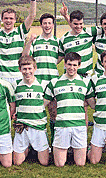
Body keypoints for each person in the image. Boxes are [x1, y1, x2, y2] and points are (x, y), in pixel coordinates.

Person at [43, 52, 94, 167]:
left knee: (80, 164)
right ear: (64, 64)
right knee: (60, 164)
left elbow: (93, 104)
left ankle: (91, 147)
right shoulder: (54, 83)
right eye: (69, 64)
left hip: (79, 126)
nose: (72, 68)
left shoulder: (86, 83)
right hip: (62, 126)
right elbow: (43, 104)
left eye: (75, 65)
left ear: (79, 66)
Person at [22, 13, 62, 144]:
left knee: (54, 112)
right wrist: (29, 42)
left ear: (53, 24)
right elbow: (25, 56)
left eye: (50, 23)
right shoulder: (36, 41)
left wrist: (51, 62)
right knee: (36, 112)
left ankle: (54, 143)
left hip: (52, 81)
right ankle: (36, 143)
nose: (47, 25)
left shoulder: (57, 41)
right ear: (41, 25)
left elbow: (62, 56)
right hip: (38, 81)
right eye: (45, 23)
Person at [12, 56, 50, 166]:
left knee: (44, 162)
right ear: (20, 69)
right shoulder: (16, 84)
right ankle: (28, 147)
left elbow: (46, 102)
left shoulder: (43, 84)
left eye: (30, 68)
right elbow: (13, 103)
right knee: (17, 162)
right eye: (24, 69)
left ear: (35, 68)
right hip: (23, 126)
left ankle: (34, 146)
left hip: (38, 126)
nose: (27, 72)